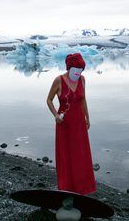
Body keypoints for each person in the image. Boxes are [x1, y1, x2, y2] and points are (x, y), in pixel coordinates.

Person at [46, 52, 97, 195]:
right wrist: (56, 115)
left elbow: (83, 100)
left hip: (79, 122)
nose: (78, 72)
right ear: (69, 68)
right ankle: (67, 187)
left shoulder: (82, 80)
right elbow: (49, 100)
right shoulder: (59, 80)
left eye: (80, 69)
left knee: (80, 154)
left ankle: (83, 187)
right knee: (66, 154)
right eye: (76, 69)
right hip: (65, 124)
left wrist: (88, 118)